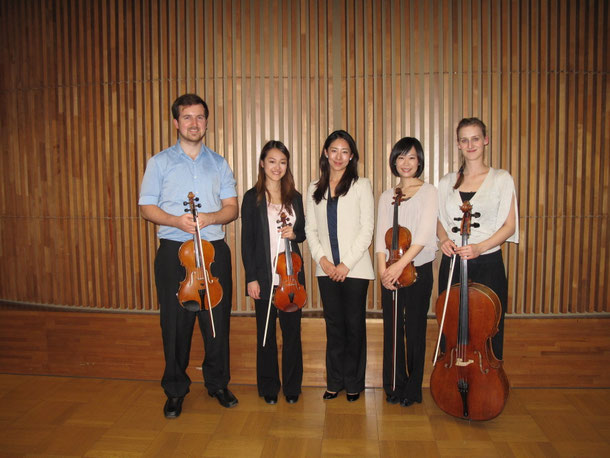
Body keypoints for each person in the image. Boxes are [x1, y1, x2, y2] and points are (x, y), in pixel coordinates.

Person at [139, 93, 239, 418]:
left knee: (217, 323)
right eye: (187, 117)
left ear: (206, 122)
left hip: (213, 252)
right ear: (176, 123)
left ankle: (217, 383)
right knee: (175, 325)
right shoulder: (159, 162)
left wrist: (210, 218)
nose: (194, 123)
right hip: (174, 252)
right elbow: (146, 206)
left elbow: (232, 209)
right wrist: (174, 221)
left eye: (199, 117)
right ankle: (175, 390)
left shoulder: (219, 163)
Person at [437, 117, 519, 361]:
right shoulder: (446, 182)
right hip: (452, 263)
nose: (470, 144)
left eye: (475, 139)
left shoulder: (502, 179)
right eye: (464, 140)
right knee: (451, 326)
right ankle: (451, 378)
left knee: (488, 329)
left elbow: (510, 225)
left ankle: (488, 383)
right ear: (459, 144)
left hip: (487, 264)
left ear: (485, 141)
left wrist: (480, 247)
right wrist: (443, 240)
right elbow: (440, 220)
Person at [305, 130, 375, 402]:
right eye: (334, 150)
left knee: (354, 326)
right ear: (325, 152)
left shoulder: (361, 185)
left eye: (345, 151)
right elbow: (311, 230)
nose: (339, 156)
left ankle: (355, 382)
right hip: (326, 269)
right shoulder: (314, 188)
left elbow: (367, 229)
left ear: (352, 156)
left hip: (354, 269)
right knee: (333, 326)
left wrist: (345, 264)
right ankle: (334, 381)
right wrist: (323, 259)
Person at [241, 140, 305, 405]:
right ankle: (268, 385)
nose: (277, 167)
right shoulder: (252, 198)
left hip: (290, 277)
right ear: (262, 163)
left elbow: (302, 233)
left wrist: (295, 233)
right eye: (272, 161)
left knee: (292, 334)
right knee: (265, 333)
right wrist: (251, 278)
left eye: (282, 162)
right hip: (265, 277)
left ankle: (292, 387)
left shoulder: (295, 197)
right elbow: (247, 241)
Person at [375, 137, 438, 407]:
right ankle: (393, 385)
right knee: (391, 330)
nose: (406, 163)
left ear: (419, 161)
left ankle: (413, 388)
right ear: (394, 162)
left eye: (411, 157)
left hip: (417, 269)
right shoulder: (387, 196)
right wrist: (383, 272)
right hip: (389, 270)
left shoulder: (429, 192)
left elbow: (423, 235)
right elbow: (380, 238)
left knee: (414, 329)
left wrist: (399, 266)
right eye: (401, 157)